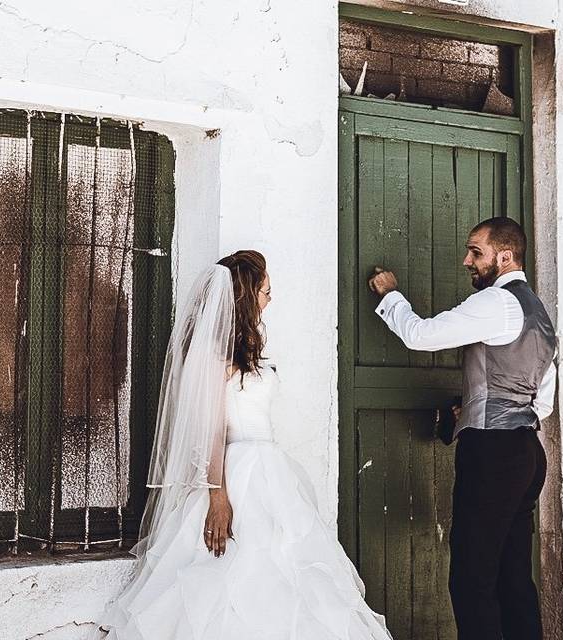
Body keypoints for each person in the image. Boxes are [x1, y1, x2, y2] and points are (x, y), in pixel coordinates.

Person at [99, 250, 392, 640]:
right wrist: (218, 497)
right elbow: (210, 431)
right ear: (247, 294)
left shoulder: (245, 350)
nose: (271, 298)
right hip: (234, 473)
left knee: (289, 570)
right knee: (227, 574)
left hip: (271, 474)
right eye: (266, 291)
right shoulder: (212, 355)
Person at [368, 217, 557, 640]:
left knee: (472, 581)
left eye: (476, 251)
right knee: (513, 579)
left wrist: (390, 295)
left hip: (492, 454)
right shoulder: (539, 314)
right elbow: (539, 401)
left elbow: (420, 335)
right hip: (527, 452)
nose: (466, 260)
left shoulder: (496, 302)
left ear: (504, 256)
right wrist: (473, 405)